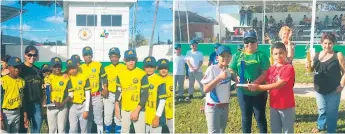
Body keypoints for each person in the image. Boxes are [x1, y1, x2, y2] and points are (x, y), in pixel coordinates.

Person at [248, 42, 296, 133]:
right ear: (272, 55)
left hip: (286, 105)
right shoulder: (271, 69)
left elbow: (278, 85)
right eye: (276, 54)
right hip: (274, 105)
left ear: (286, 53)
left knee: (288, 130)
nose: (278, 56)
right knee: (275, 130)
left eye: (281, 53)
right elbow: (265, 80)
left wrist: (258, 87)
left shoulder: (288, 67)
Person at [229, 30, 270, 133]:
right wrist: (235, 77)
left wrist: (255, 83)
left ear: (257, 42)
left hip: (259, 92)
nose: (249, 43)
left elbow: (265, 73)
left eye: (252, 40)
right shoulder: (238, 55)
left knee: (260, 117)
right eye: (246, 41)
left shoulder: (261, 55)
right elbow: (231, 69)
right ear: (243, 42)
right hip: (243, 92)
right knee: (246, 118)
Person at [306, 34, 345, 133]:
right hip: (319, 88)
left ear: (334, 43)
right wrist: (308, 65)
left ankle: (331, 130)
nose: (327, 46)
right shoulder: (316, 55)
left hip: (334, 89)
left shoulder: (338, 55)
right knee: (321, 109)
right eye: (325, 43)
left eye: (330, 43)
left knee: (332, 112)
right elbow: (311, 70)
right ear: (321, 43)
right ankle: (321, 126)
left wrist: (341, 85)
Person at [114, 49, 149, 133]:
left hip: (139, 109)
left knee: (140, 132)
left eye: (132, 60)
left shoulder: (142, 74)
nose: (130, 62)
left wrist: (137, 110)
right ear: (124, 61)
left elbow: (145, 95)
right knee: (124, 131)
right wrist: (116, 107)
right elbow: (118, 92)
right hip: (125, 108)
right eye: (128, 60)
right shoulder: (120, 74)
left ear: (136, 60)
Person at [201, 45, 233, 133]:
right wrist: (219, 77)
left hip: (225, 107)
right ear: (217, 57)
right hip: (213, 107)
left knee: (222, 131)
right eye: (222, 56)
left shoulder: (229, 71)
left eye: (228, 56)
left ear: (230, 57)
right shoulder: (211, 69)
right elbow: (205, 89)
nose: (225, 58)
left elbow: (226, 87)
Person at [79, 46, 107, 133]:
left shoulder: (98, 65)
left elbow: (104, 77)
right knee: (87, 118)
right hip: (85, 97)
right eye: (86, 54)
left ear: (92, 55)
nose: (88, 56)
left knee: (98, 118)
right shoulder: (80, 67)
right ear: (83, 56)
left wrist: (105, 87)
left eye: (89, 54)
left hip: (96, 95)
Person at [19, 45, 44, 133]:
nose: (32, 57)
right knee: (22, 130)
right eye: (30, 55)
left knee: (36, 130)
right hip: (23, 105)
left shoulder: (38, 71)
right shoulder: (20, 69)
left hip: (36, 104)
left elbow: (42, 87)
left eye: (34, 55)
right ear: (25, 55)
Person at [1, 57, 29, 133]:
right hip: (5, 113)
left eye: (19, 67)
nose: (17, 69)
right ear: (9, 67)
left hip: (17, 112)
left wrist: (25, 114)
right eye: (15, 67)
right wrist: (0, 118)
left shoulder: (22, 81)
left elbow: (22, 99)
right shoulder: (3, 81)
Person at [102, 47, 125, 133]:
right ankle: (107, 131)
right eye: (112, 56)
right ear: (109, 57)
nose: (114, 58)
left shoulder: (123, 67)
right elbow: (104, 79)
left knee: (118, 117)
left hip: (120, 95)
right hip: (109, 94)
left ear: (119, 57)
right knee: (107, 117)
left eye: (116, 56)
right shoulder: (107, 68)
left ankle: (117, 131)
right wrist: (105, 88)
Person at [45, 57, 70, 133]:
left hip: (62, 106)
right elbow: (47, 92)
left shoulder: (66, 77)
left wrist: (63, 103)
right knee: (52, 129)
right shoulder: (47, 78)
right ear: (51, 67)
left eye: (59, 66)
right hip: (51, 106)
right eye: (55, 66)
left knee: (62, 128)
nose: (57, 68)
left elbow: (70, 93)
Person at [65, 58, 91, 133]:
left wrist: (86, 110)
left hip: (83, 105)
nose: (72, 70)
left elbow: (87, 94)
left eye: (74, 68)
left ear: (77, 66)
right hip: (72, 106)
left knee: (84, 129)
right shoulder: (67, 78)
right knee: (73, 129)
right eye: (70, 69)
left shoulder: (84, 77)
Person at [142, 57, 167, 133]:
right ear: (144, 68)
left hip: (155, 115)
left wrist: (157, 117)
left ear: (155, 67)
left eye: (151, 66)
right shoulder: (142, 78)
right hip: (143, 114)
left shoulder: (160, 80)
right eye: (147, 66)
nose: (149, 69)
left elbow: (162, 101)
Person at [157, 59, 173, 133]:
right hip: (157, 112)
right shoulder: (153, 79)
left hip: (169, 111)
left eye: (165, 68)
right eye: (161, 68)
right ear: (157, 68)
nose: (163, 70)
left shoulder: (172, 79)